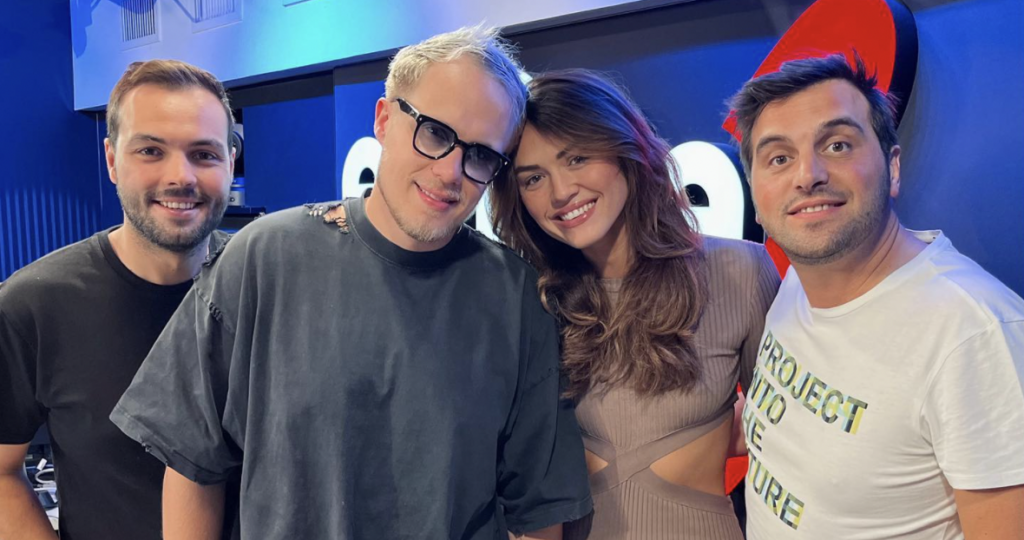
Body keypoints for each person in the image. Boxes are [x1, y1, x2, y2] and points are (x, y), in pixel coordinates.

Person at [110, 27, 593, 540]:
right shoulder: (263, 259)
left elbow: (539, 511)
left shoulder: (515, 299)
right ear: (384, 120)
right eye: (434, 133)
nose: (451, 172)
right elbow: (192, 464)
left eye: (481, 156)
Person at [728, 53, 1024, 539]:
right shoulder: (800, 282)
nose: (807, 175)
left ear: (893, 166)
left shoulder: (974, 334)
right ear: (756, 197)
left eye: (837, 145)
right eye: (779, 158)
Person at [489, 69, 780, 539]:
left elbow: (789, 444)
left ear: (626, 147)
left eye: (577, 158)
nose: (561, 192)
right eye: (534, 178)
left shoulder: (741, 273)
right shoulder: (534, 301)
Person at [0, 60, 234, 540]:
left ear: (230, 162)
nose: (181, 176)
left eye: (204, 154)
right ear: (111, 159)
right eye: (150, 151)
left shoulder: (267, 287)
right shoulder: (33, 306)